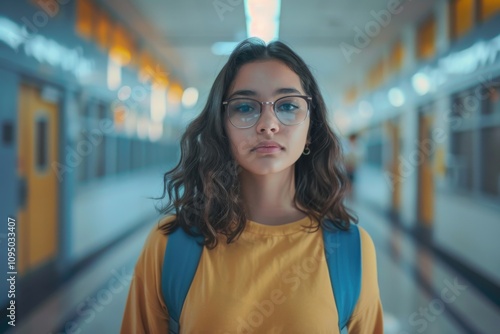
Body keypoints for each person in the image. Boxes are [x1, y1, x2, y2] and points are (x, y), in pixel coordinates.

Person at [120, 38, 383, 333]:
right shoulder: (171, 246)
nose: (267, 124)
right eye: (245, 107)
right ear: (221, 127)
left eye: (287, 106)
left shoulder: (351, 249)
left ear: (311, 129)